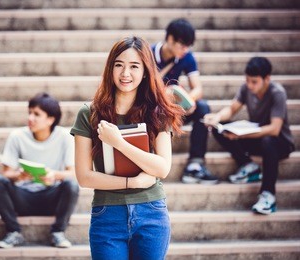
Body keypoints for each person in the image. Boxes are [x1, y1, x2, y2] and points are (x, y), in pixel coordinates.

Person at [71, 36, 184, 260]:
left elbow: (162, 168)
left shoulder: (158, 113)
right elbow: (84, 177)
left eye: (134, 66)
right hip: (108, 215)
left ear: (145, 71)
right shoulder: (89, 113)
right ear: (110, 69)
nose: (125, 74)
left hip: (151, 212)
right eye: (119, 65)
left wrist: (118, 142)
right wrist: (131, 183)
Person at [203, 57, 295, 214]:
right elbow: (232, 110)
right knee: (219, 129)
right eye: (247, 81)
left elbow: (274, 129)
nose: (250, 85)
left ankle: (268, 195)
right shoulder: (246, 88)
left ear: (267, 79)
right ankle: (249, 166)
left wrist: (241, 136)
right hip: (257, 137)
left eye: (254, 82)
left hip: (280, 143)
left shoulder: (277, 93)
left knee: (268, 141)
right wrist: (217, 117)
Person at [0, 92, 79, 249]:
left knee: (71, 185)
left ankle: (58, 232)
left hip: (51, 197)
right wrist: (20, 176)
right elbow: (7, 173)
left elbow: (72, 173)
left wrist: (53, 175)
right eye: (30, 112)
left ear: (51, 119)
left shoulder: (65, 137)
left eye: (36, 114)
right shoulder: (17, 136)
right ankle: (13, 232)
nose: (30, 118)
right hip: (23, 197)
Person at [151, 18, 218, 184]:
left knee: (202, 107)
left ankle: (195, 165)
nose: (185, 49)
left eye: (189, 46)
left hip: (173, 109)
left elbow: (198, 89)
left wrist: (188, 100)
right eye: (182, 45)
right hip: (151, 110)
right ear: (170, 39)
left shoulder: (187, 57)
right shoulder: (148, 54)